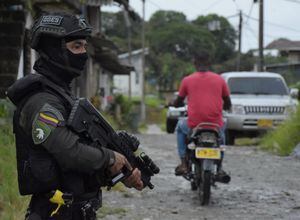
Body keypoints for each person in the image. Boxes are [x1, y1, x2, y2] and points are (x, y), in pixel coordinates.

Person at [7, 12, 143, 220]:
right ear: (54, 49)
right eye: (76, 46)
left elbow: (82, 163)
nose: (84, 54)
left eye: (84, 47)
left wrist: (120, 172)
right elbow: (69, 151)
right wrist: (110, 157)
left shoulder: (63, 95)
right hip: (54, 213)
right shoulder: (41, 101)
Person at [173, 51, 232, 175]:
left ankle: (183, 163)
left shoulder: (187, 80)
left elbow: (178, 101)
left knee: (179, 127)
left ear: (194, 63)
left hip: (194, 124)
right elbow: (227, 101)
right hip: (215, 124)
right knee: (221, 135)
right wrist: (225, 107)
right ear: (209, 63)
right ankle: (219, 167)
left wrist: (174, 104)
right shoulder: (220, 79)